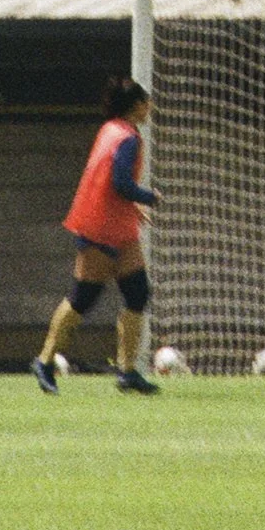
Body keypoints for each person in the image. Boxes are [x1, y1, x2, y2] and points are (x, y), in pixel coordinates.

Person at [35, 78, 162, 396]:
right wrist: (148, 197)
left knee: (137, 292)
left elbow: (108, 179)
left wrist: (131, 208)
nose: (150, 108)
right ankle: (45, 361)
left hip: (116, 225)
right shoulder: (128, 138)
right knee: (84, 298)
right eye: (147, 102)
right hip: (101, 228)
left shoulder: (111, 129)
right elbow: (119, 183)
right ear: (136, 106)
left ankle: (128, 371)